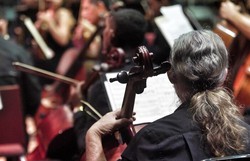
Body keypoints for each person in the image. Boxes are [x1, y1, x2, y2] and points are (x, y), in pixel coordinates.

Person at [85, 30, 250, 161]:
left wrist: (94, 134)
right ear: (224, 75)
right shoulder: (245, 133)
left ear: (171, 74)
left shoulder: (155, 139)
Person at [73, 8, 147, 158]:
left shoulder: (105, 83)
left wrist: (77, 108)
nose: (103, 32)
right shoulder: (155, 73)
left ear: (111, 34)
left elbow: (86, 145)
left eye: (106, 28)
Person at [34, 0, 75, 85]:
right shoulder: (46, 13)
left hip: (60, 63)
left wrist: (49, 22)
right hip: (46, 64)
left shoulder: (63, 13)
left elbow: (63, 40)